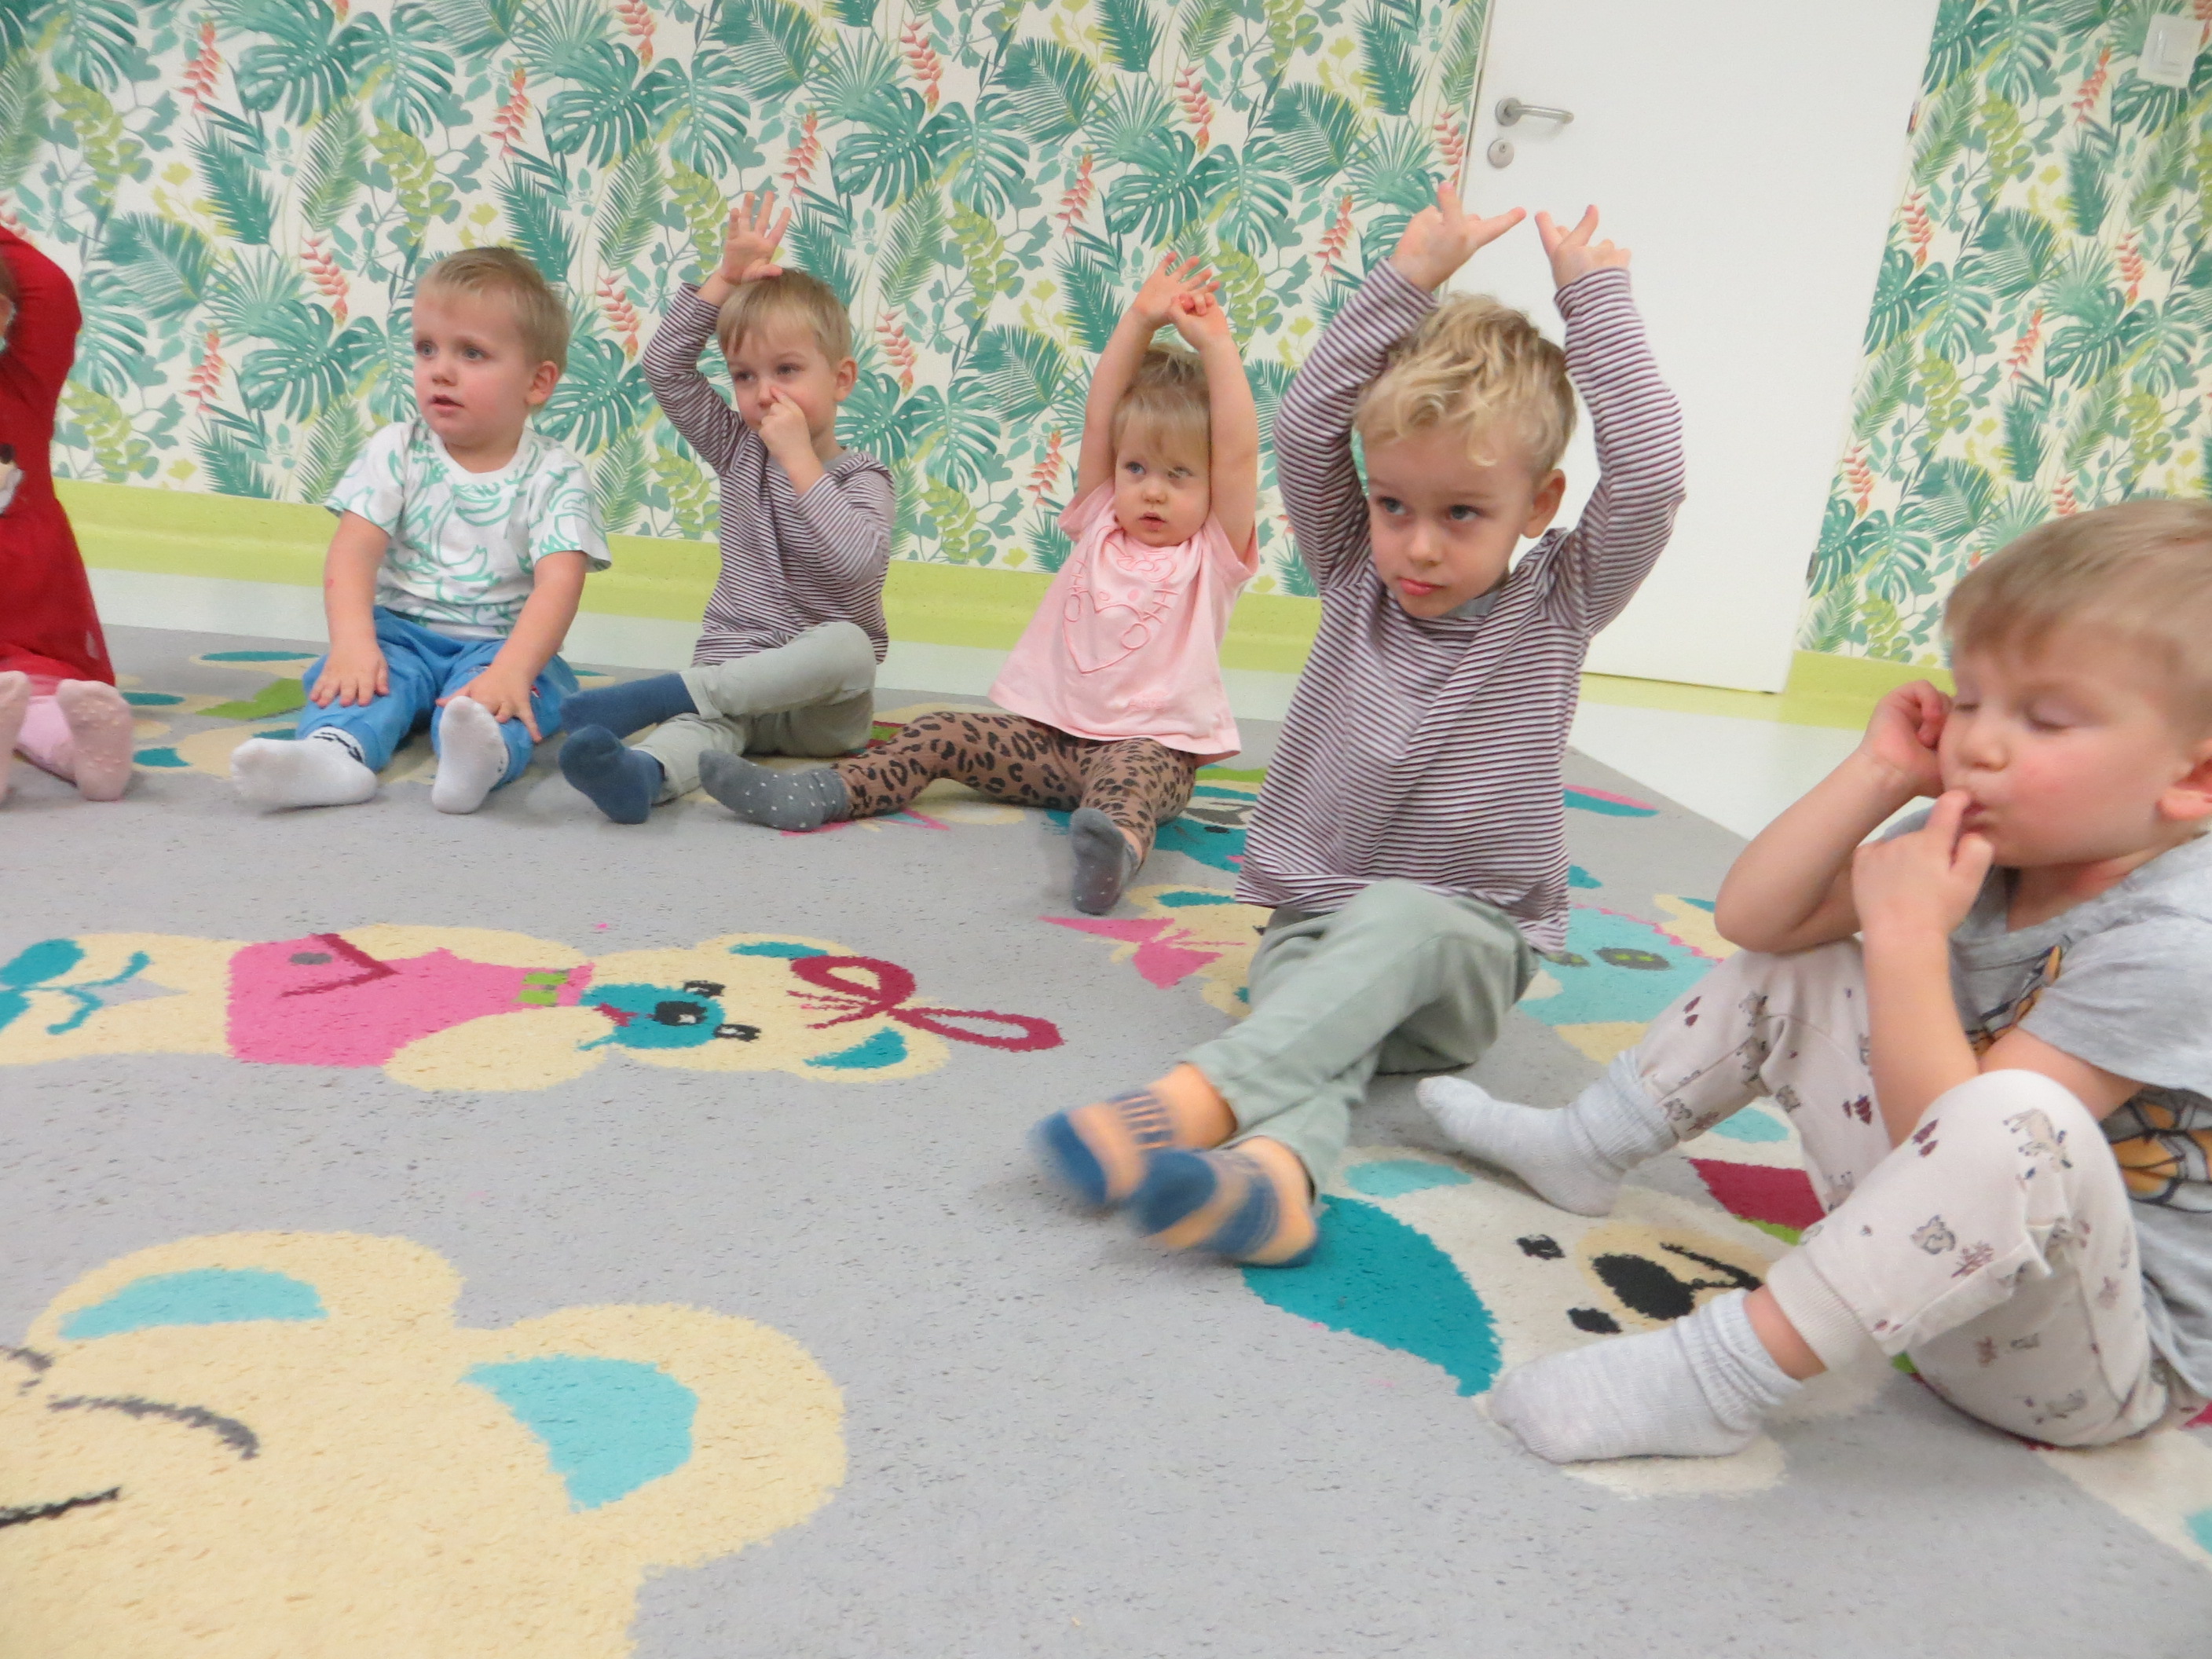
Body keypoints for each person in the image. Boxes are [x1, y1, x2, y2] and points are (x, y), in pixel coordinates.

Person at [1426, 499, 2212, 1461]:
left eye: (2043, 719)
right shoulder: (1982, 843)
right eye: (1969, 699)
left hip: (2091, 1365)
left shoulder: (2179, 939)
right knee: (1810, 958)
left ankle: (1713, 1380)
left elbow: (1967, 1143)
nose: (1978, 744)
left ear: (2195, 778)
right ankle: (1585, 1146)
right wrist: (1878, 774)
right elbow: (1755, 921)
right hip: (1923, 1274)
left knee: (2015, 1112)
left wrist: (1907, 937)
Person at [1030, 185, 1686, 1264]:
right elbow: (1303, 425)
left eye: (1461, 514)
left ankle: (1187, 1101)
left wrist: (1595, 301)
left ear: (1538, 505)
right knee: (1310, 1033)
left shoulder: (1560, 599)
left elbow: (1651, 479)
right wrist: (1407, 279)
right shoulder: (1351, 568)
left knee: (1399, 919)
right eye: (1394, 506)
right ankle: (1278, 1184)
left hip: (1465, 947)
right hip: (1312, 929)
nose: (1416, 546)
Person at [694, 251, 1260, 917]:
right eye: (1137, 468)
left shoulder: (1213, 553)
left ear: (1211, 484)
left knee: (1127, 786)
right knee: (937, 731)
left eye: (1179, 475)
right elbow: (1101, 412)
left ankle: (1112, 851)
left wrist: (1217, 345)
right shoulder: (1100, 517)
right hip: (1049, 745)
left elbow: (1240, 450)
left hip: (1150, 751)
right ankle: (820, 794)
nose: (1152, 490)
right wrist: (1138, 318)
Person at [555, 189, 892, 822]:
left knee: (850, 646)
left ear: (841, 380)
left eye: (787, 370)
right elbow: (665, 369)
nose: (764, 394)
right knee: (697, 730)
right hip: (732, 682)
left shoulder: (863, 477)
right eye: (744, 375)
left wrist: (800, 460)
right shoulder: (738, 448)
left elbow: (857, 569)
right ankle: (641, 776)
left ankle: (667, 693)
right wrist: (724, 279)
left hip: (821, 713)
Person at [232, 247, 607, 815]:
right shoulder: (396, 449)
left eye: (472, 353)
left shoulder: (557, 475)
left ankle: (477, 762)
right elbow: (353, 554)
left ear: (538, 382)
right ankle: (332, 755)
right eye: (426, 348)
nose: (441, 370)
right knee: (359, 685)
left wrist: (512, 670)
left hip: (500, 645)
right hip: (400, 634)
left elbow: (560, 585)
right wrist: (354, 644)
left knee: (506, 701)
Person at [0, 225, 134, 804]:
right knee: (25, 692)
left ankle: (84, 756)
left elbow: (48, 290)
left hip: (24, 612)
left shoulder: (21, 386)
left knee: (38, 696)